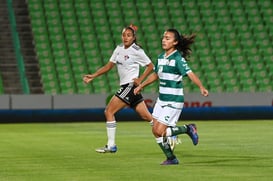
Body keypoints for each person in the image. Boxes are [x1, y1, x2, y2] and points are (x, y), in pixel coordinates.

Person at [134, 28, 209, 165]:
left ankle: (188, 128)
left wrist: (201, 87)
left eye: (168, 38)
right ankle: (171, 158)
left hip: (173, 101)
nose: (164, 40)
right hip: (161, 100)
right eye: (163, 37)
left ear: (175, 42)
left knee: (160, 130)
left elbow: (190, 73)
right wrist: (141, 85)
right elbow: (155, 75)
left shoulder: (177, 59)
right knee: (155, 132)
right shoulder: (161, 58)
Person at [83, 24, 154, 153]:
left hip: (130, 85)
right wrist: (93, 76)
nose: (125, 38)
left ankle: (111, 145)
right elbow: (108, 66)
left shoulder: (137, 50)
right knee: (147, 117)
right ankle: (170, 133)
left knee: (109, 111)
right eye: (123, 35)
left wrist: (140, 80)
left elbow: (150, 66)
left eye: (128, 35)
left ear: (133, 37)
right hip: (128, 87)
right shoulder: (119, 49)